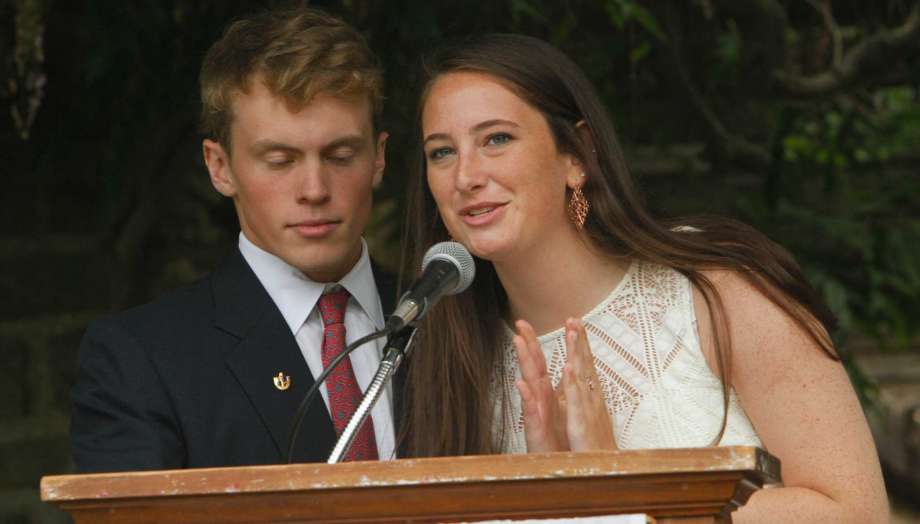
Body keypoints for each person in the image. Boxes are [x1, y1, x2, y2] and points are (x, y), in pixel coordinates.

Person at [401, 34, 889, 522]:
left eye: (497, 139)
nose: (465, 176)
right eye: (441, 152)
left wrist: (621, 497)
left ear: (577, 155)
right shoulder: (449, 356)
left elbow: (858, 512)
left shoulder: (716, 290)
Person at [70, 7, 396, 472]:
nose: (315, 190)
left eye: (341, 155)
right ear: (220, 167)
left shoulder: (456, 322)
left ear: (379, 157)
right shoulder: (142, 360)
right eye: (280, 160)